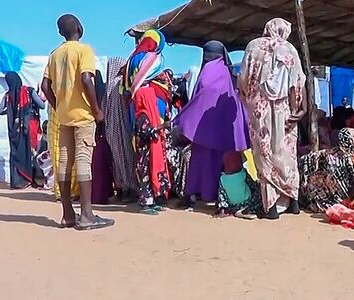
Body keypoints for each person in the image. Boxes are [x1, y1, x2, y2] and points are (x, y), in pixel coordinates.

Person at [41, 14, 113, 230]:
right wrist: (97, 110)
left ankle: (67, 215)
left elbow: (45, 86)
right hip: (83, 116)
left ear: (60, 32)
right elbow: (86, 79)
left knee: (64, 162)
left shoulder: (55, 54)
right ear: (80, 28)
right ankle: (87, 216)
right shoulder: (84, 50)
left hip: (64, 118)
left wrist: (59, 107)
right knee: (83, 161)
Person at [238, 18, 307, 219]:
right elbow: (298, 82)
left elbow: (243, 79)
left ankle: (272, 207)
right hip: (285, 110)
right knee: (287, 153)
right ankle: (293, 201)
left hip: (260, 111)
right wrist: (298, 108)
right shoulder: (291, 49)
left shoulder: (253, 46)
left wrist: (247, 97)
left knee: (264, 154)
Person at [173, 40, 250, 208]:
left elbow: (197, 100)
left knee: (200, 162)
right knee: (221, 163)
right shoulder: (228, 73)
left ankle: (195, 193)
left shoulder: (205, 72)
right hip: (225, 130)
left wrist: (183, 118)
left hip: (203, 129)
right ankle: (221, 197)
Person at [124, 29, 172, 214]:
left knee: (144, 155)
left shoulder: (132, 59)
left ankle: (152, 196)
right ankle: (148, 199)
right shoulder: (154, 59)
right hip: (151, 111)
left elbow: (127, 89)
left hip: (136, 110)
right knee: (150, 156)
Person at [0, 71, 46, 189]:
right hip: (30, 127)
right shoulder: (29, 92)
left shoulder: (8, 96)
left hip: (15, 130)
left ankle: (18, 182)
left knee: (17, 153)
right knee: (32, 152)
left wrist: (11, 111)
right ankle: (35, 180)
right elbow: (42, 105)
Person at [299, 128, 354, 212]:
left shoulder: (324, 154)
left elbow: (303, 162)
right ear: (351, 141)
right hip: (340, 203)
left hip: (316, 202)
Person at [103, 57, 137, 201]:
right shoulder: (120, 84)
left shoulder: (107, 87)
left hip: (110, 130)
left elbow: (103, 108)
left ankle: (121, 189)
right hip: (122, 128)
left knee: (117, 161)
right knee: (127, 158)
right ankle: (130, 189)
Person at [91, 70, 114, 204]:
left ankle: (97, 195)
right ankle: (101, 195)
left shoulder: (92, 93)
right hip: (102, 133)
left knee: (97, 165)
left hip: (96, 132)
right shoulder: (105, 91)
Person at [215, 151, 260, 219]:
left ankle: (229, 211)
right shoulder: (243, 174)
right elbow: (253, 186)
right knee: (258, 192)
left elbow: (222, 196)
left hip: (232, 206)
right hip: (247, 203)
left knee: (224, 193)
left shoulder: (222, 178)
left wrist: (222, 208)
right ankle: (246, 211)